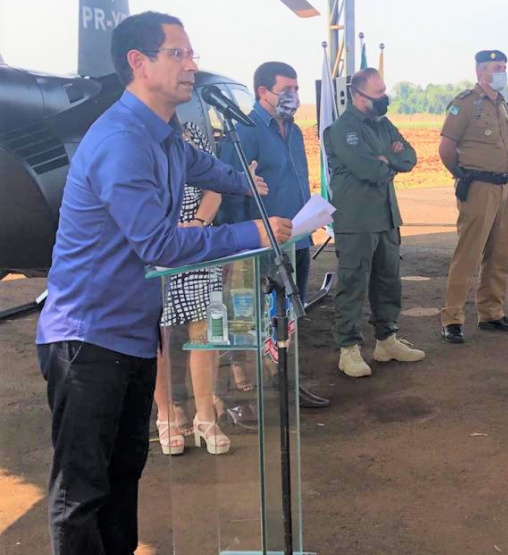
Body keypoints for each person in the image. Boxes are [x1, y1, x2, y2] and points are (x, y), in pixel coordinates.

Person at [34, 12, 291, 555]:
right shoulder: (122, 140)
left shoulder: (164, 135)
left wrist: (247, 182)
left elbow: (205, 167)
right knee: (82, 491)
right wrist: (250, 232)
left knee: (124, 473)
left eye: (191, 53)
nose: (192, 65)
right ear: (139, 63)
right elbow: (158, 245)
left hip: (131, 335)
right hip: (86, 340)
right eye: (178, 53)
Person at [324, 68, 425, 377]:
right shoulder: (343, 129)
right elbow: (369, 170)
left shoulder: (383, 123)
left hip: (386, 217)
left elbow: (409, 157)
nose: (384, 98)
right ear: (358, 95)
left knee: (388, 281)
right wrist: (387, 160)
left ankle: (387, 340)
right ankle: (349, 349)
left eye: (384, 91)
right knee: (353, 284)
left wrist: (386, 159)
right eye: (378, 93)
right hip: (357, 220)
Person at [154, 122, 231, 457]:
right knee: (158, 337)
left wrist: (198, 224)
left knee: (205, 335)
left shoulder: (194, 134)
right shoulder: (136, 139)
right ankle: (167, 415)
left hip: (198, 245)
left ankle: (205, 417)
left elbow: (214, 187)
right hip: (156, 247)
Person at [439, 50, 508, 343]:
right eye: (497, 67)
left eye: (505, 67)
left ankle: (491, 312)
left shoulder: (502, 104)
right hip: (478, 187)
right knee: (468, 254)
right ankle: (452, 318)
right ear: (481, 72)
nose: (503, 72)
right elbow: (446, 148)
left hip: (504, 187)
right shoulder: (465, 103)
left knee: (499, 253)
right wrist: (462, 175)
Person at [219, 61, 312, 304]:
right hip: (264, 244)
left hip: (298, 239)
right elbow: (229, 193)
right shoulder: (244, 133)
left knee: (294, 312)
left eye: (296, 89)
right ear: (263, 92)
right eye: (286, 90)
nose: (294, 96)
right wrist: (240, 247)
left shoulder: (294, 131)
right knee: (268, 313)